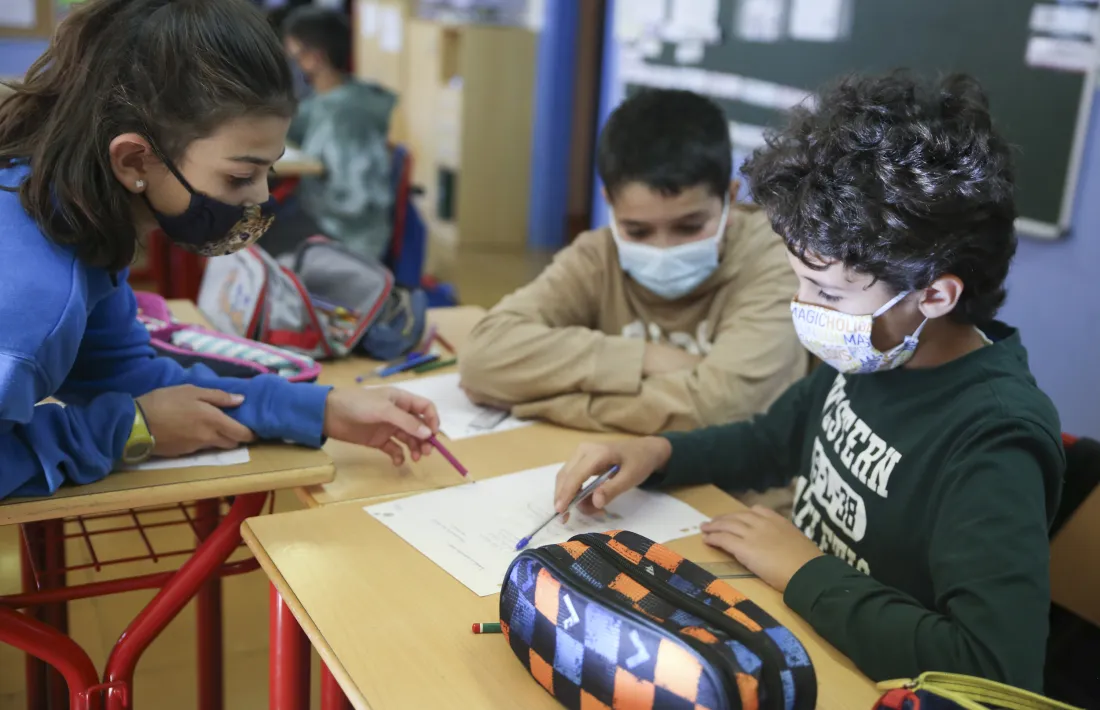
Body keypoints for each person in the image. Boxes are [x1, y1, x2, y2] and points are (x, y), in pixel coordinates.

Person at [551, 73, 1063, 691]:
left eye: (827, 292)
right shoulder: (879, 354)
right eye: (800, 281)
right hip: (804, 631)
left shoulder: (993, 439)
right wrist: (658, 453)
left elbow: (993, 669)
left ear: (933, 294)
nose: (804, 307)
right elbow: (771, 440)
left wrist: (804, 571)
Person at [0, 0, 438, 500]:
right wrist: (130, 431)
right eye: (240, 176)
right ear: (134, 159)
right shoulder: (36, 293)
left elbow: (124, 376)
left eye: (268, 172)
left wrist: (323, 409)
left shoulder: (76, 214)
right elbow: (133, 407)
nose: (260, 198)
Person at [459, 89, 805, 450]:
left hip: (736, 492)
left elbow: (721, 411)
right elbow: (483, 358)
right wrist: (647, 357)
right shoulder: (598, 254)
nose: (663, 249)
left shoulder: (778, 260)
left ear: (730, 198)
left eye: (689, 227)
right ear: (609, 203)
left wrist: (545, 402)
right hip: (624, 473)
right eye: (637, 231)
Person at [261, 6, 397, 260]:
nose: (292, 63)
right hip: (323, 216)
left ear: (315, 57)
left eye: (294, 54)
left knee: (256, 237)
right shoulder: (327, 100)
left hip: (348, 234)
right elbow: (295, 124)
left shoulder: (348, 114)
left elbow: (357, 200)